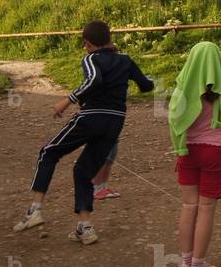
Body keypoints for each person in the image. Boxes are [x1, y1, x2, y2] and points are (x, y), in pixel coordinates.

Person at [13, 21, 154, 243]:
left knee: (49, 152)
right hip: (115, 122)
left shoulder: (91, 58)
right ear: (109, 38)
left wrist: (67, 101)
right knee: (83, 171)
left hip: (91, 117)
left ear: (87, 43)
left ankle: (35, 210)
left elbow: (94, 79)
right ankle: (85, 227)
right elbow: (146, 86)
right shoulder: (125, 60)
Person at [168, 41, 221, 267]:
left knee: (188, 207)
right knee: (206, 208)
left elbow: (174, 120)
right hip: (215, 152)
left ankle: (185, 265)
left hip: (186, 151)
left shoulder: (181, 91)